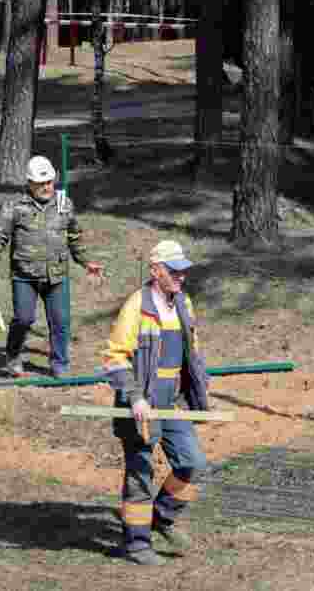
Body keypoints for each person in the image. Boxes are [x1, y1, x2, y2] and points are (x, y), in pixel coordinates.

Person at [100, 239, 210, 566]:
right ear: (155, 270)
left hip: (171, 399)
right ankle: (136, 544)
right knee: (141, 472)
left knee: (192, 462)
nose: (180, 277)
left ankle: (161, 516)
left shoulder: (184, 303)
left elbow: (193, 349)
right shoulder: (137, 306)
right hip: (142, 401)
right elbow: (114, 357)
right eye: (173, 271)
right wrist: (134, 397)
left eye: (183, 271)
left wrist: (198, 382)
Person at [0, 155, 104, 377]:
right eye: (41, 183)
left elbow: (74, 237)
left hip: (56, 275)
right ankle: (13, 354)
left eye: (49, 182)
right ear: (29, 183)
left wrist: (87, 262)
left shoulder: (64, 205)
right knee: (24, 319)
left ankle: (60, 363)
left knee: (61, 321)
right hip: (25, 275)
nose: (46, 187)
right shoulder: (15, 206)